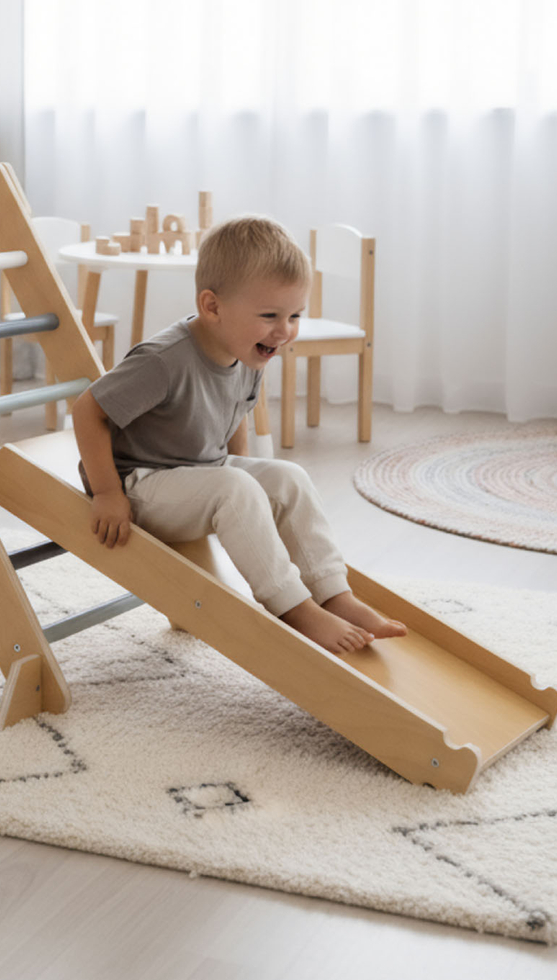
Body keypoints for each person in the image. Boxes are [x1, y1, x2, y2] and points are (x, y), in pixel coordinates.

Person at [72, 215, 406, 653]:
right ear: (212, 307)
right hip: (140, 481)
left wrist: (247, 472)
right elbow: (87, 411)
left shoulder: (246, 352)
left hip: (197, 470)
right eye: (269, 315)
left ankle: (332, 594)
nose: (284, 330)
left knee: (288, 478)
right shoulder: (164, 360)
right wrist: (107, 494)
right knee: (235, 487)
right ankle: (294, 609)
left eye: (294, 316)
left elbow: (235, 422)